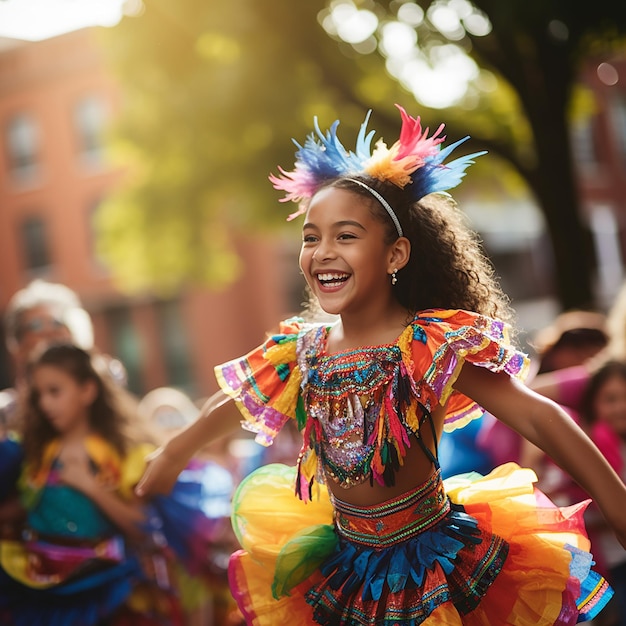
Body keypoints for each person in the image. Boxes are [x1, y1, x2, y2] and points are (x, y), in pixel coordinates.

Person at [135, 105, 626, 625]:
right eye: (310, 237)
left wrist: (616, 502)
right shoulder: (302, 351)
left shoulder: (428, 344)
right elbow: (232, 401)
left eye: (345, 236)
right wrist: (172, 453)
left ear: (396, 255)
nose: (323, 251)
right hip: (343, 565)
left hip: (432, 563)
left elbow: (537, 415)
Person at [0, 342, 217, 625]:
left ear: (87, 390)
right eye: (39, 394)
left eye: (55, 391)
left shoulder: (121, 454)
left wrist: (89, 486)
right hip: (43, 590)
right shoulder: (37, 453)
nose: (45, 403)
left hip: (105, 590)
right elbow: (30, 506)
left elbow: (142, 525)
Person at [577, 360, 626, 625]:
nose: (621, 407)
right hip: (609, 567)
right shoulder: (591, 448)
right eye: (611, 399)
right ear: (593, 403)